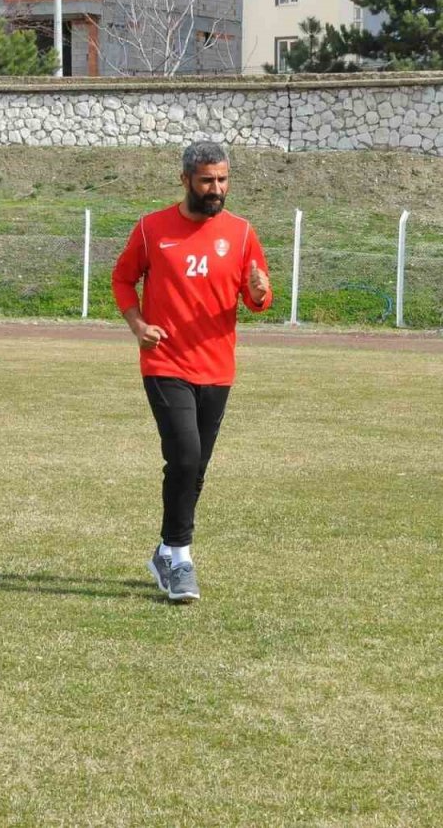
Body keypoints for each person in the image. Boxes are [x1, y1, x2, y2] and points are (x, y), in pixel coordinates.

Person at [111, 141, 273, 602]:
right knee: (183, 456)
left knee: (195, 465)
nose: (216, 189)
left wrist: (260, 291)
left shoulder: (242, 234)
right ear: (185, 180)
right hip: (165, 362)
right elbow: (123, 278)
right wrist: (138, 325)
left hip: (217, 368)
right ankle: (180, 558)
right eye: (207, 180)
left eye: (222, 180)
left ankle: (166, 549)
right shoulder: (151, 229)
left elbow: (257, 297)